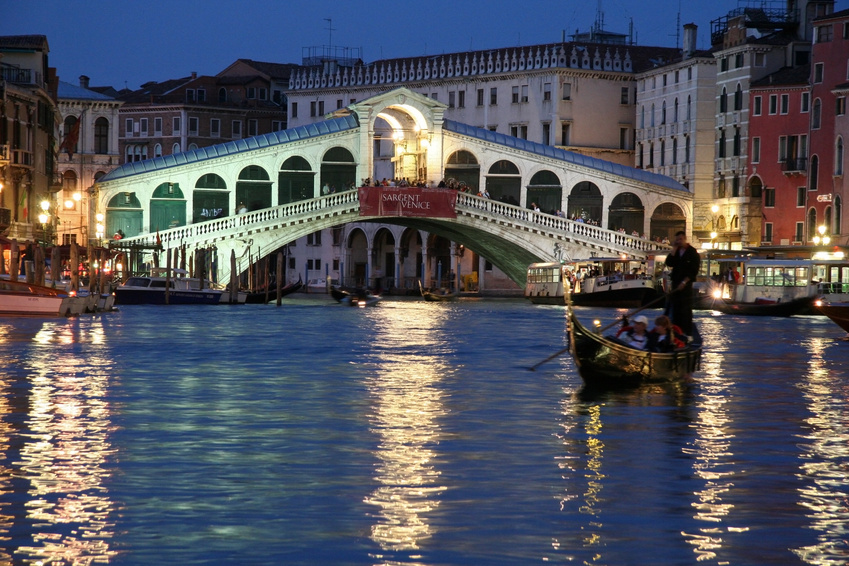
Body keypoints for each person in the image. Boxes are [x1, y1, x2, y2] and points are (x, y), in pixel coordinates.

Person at [665, 230, 700, 336]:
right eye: (677, 240)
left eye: (680, 239)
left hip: (686, 286)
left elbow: (693, 271)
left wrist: (684, 282)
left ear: (684, 239)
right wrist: (674, 249)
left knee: (685, 309)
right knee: (675, 309)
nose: (679, 241)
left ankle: (686, 333)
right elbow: (669, 263)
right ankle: (675, 332)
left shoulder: (693, 253)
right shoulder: (676, 252)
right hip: (676, 283)